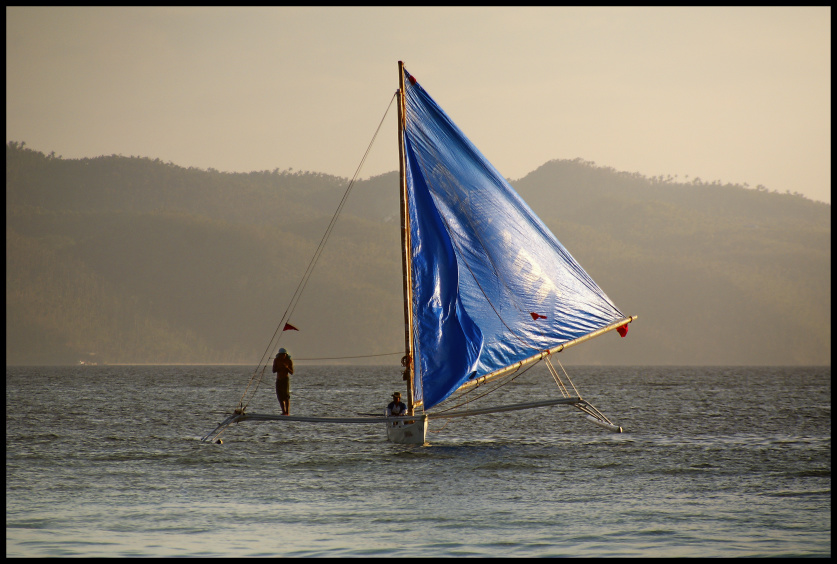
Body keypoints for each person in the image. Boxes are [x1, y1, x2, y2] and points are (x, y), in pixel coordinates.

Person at [272, 348, 294, 415]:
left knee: (286, 396)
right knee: (280, 396)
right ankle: (283, 411)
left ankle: (287, 412)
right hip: (279, 380)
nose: (283, 356)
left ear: (286, 355)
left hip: (285, 380)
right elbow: (273, 370)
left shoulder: (289, 361)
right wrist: (280, 368)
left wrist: (286, 368)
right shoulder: (276, 360)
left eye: (284, 355)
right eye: (281, 355)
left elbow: (292, 372)